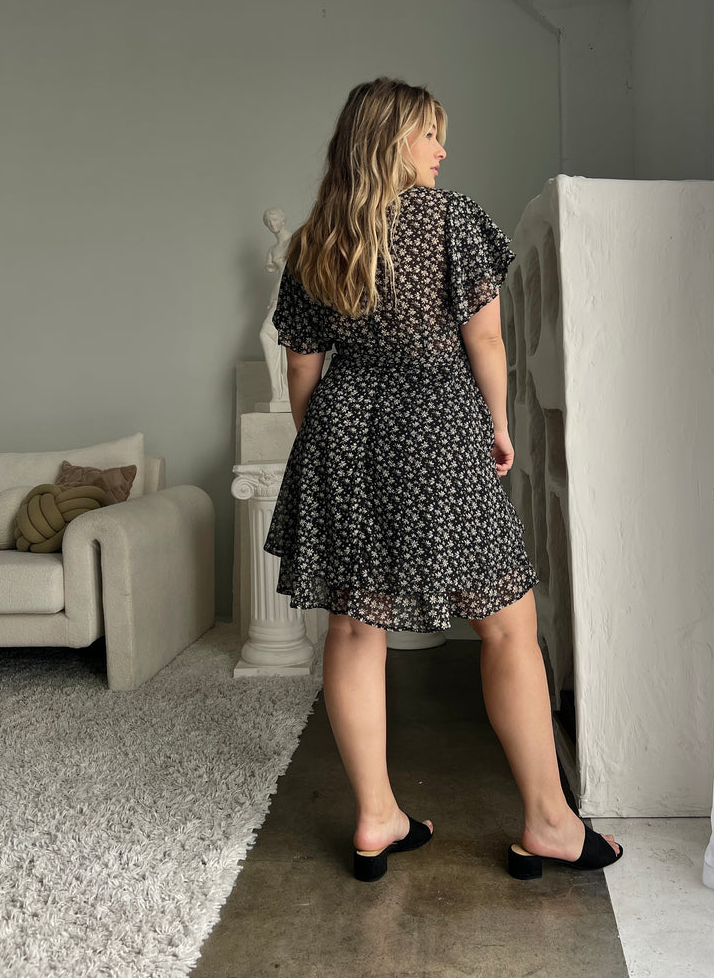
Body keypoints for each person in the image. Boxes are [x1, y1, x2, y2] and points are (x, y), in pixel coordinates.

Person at [263, 77, 622, 882]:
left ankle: (376, 815)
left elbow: (301, 366)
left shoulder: (317, 238)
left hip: (344, 427)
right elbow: (486, 340)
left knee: (355, 628)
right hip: (440, 425)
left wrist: (323, 445)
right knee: (507, 624)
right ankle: (550, 821)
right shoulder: (452, 218)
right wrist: (498, 423)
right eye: (429, 134)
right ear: (391, 140)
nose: (442, 149)